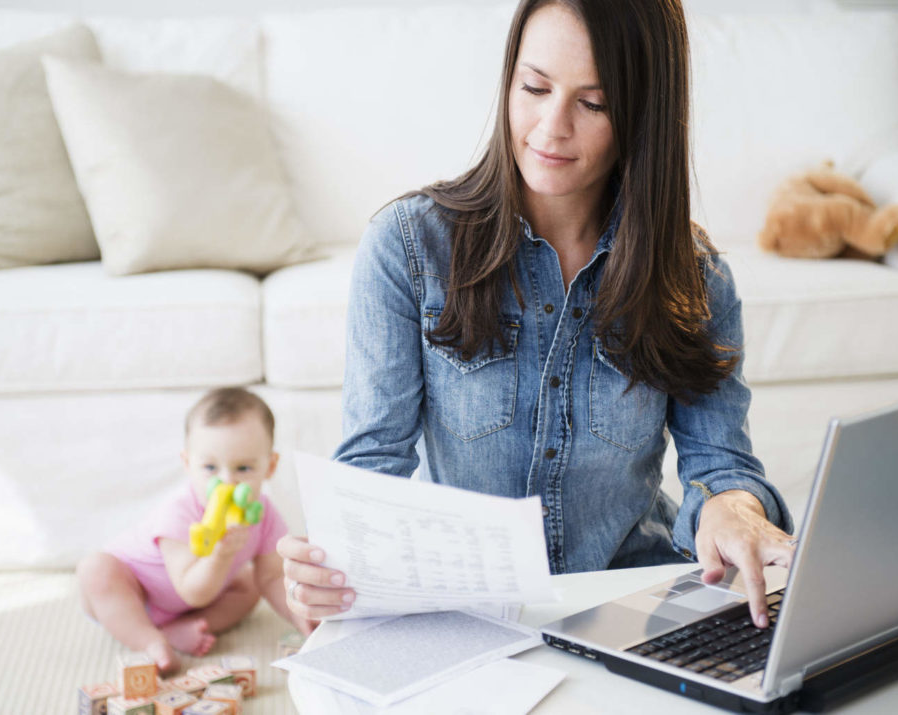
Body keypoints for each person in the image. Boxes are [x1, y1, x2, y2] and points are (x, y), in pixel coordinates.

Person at [279, 0, 795, 636]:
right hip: (468, 614)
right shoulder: (408, 246)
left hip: (632, 599)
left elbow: (722, 465)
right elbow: (372, 465)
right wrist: (333, 570)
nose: (551, 127)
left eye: (594, 103)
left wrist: (731, 508)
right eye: (535, 87)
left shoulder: (696, 277)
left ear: (641, 116)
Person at [77, 387, 305, 674]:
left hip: (194, 603)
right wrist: (221, 555)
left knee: (250, 586)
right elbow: (191, 591)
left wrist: (301, 618)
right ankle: (150, 641)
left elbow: (272, 576)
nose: (227, 482)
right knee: (95, 569)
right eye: (210, 467)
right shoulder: (179, 511)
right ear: (188, 464)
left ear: (270, 466)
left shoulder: (264, 513)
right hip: (135, 594)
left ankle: (176, 629)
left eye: (244, 468)